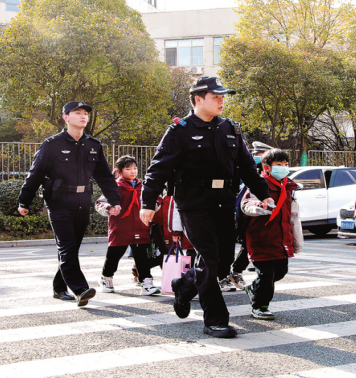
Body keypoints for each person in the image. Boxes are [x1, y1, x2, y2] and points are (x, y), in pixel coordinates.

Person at [140, 76, 273, 339]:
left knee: (222, 263)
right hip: (193, 202)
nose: (222, 101)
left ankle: (184, 285)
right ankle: (215, 320)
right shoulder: (180, 130)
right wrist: (148, 202)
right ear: (198, 99)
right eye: (216, 97)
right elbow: (159, 168)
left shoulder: (231, 129)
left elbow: (247, 167)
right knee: (210, 259)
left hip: (224, 200)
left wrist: (263, 194)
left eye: (223, 97)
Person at [18, 101, 122, 307]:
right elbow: (35, 173)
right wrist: (24, 200)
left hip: (83, 201)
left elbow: (104, 177)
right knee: (66, 246)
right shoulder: (52, 144)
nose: (83, 116)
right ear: (65, 117)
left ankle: (59, 287)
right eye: (77, 113)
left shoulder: (94, 145)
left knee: (71, 248)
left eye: (85, 113)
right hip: (58, 202)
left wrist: (114, 200)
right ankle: (80, 289)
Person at [240, 149, 302, 320]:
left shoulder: (288, 187)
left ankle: (254, 288)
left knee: (281, 272)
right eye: (278, 165)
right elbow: (246, 205)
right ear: (267, 168)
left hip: (281, 238)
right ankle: (260, 306)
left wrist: (296, 240)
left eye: (285, 164)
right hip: (261, 238)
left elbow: (293, 216)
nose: (283, 167)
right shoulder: (259, 184)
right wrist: (260, 206)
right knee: (266, 275)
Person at [95, 155, 161, 296]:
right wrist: (109, 209)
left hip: (140, 227)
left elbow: (156, 200)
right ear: (119, 171)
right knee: (113, 256)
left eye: (135, 168)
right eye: (128, 168)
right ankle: (106, 278)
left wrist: (153, 206)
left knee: (142, 257)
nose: (133, 171)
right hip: (120, 228)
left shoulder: (142, 186)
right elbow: (100, 202)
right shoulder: (114, 187)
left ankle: (146, 283)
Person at [220, 141, 274, 291]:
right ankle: (223, 276)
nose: (256, 157)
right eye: (255, 154)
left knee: (247, 244)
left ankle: (235, 272)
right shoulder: (240, 165)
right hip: (237, 209)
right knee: (226, 245)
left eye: (259, 154)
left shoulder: (267, 170)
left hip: (255, 212)